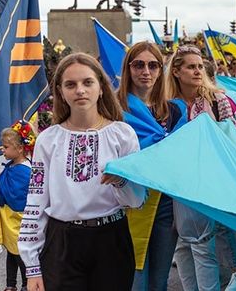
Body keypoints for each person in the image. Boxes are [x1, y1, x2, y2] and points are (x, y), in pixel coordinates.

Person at [18, 53, 146, 291]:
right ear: (60, 91)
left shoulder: (122, 134)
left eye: (87, 82)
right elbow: (35, 201)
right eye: (71, 84)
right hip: (62, 244)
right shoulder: (48, 139)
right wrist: (32, 266)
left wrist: (121, 182)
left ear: (100, 87)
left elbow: (137, 200)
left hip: (112, 241)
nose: (80, 90)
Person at [167, 46, 236, 291]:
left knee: (207, 238)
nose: (198, 71)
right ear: (177, 72)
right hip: (180, 181)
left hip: (213, 177)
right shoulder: (168, 105)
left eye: (200, 66)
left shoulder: (219, 100)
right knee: (182, 242)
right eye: (191, 67)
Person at [116, 42, 177, 291]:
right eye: (139, 64)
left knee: (159, 281)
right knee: (134, 280)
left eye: (153, 65)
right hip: (129, 201)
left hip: (166, 202)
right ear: (128, 68)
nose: (146, 71)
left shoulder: (173, 110)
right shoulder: (114, 109)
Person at [0, 120, 35, 291]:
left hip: (19, 222)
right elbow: (1, 187)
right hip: (12, 222)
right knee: (11, 252)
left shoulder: (24, 171)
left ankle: (26, 284)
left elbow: (14, 196)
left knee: (20, 255)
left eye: (5, 147)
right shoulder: (12, 166)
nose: (2, 150)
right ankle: (10, 285)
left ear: (20, 149)